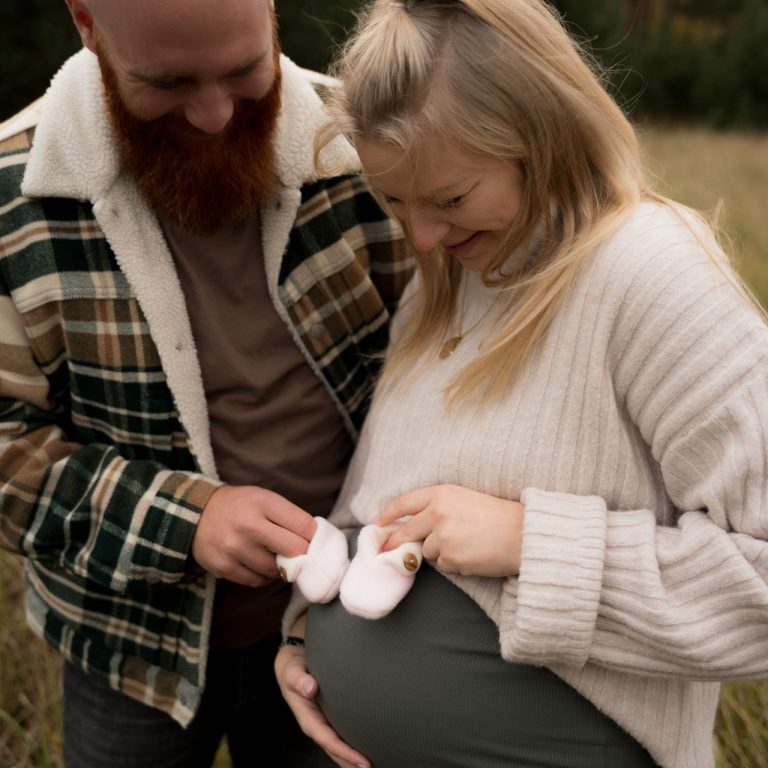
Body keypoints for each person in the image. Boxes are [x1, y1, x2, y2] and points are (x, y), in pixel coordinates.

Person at [274, 1, 768, 767]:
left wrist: (534, 546)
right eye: (394, 200)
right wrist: (310, 630)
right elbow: (375, 491)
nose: (422, 237)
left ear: (542, 136)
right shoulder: (448, 275)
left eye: (449, 198)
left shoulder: (652, 275)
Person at [0, 0, 413, 765]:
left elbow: (443, 358)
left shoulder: (359, 146)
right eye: (167, 82)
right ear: (87, 23)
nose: (217, 114)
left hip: (350, 626)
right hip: (127, 653)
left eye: (244, 71)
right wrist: (188, 520)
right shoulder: (11, 202)